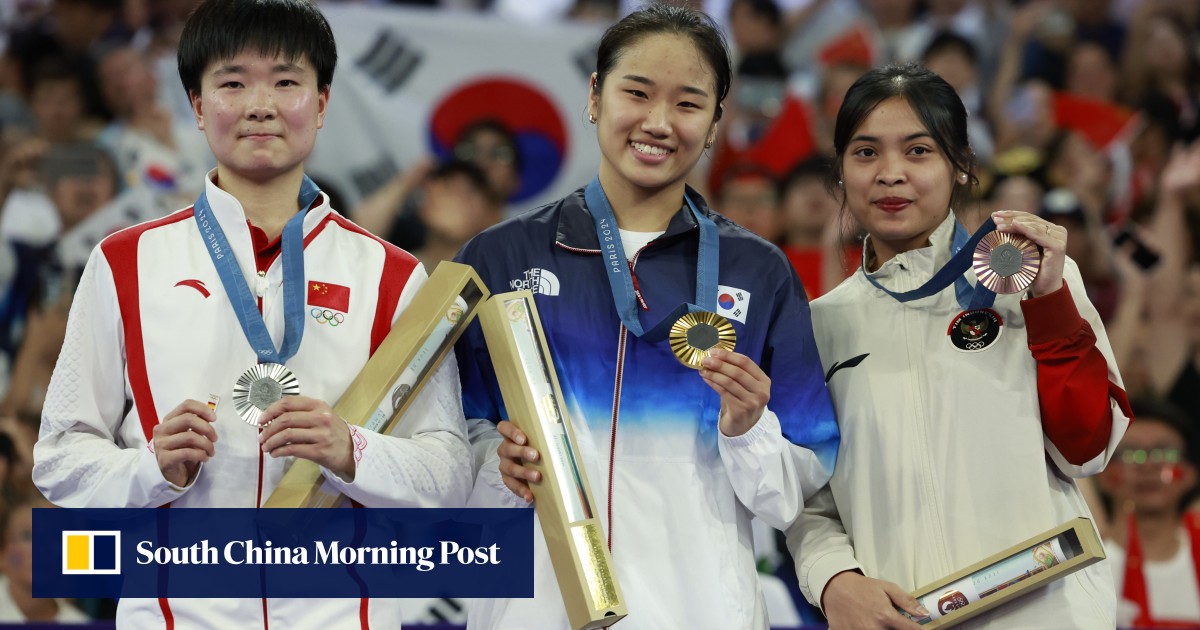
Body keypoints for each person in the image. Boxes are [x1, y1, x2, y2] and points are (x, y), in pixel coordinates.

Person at [30, 0, 473, 627]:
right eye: (232, 82)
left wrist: (351, 451)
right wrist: (151, 469)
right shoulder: (125, 261)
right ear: (197, 105)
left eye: (286, 82)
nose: (259, 104)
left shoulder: (392, 275)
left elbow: (449, 473)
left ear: (320, 104)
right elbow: (59, 458)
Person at [454, 5, 839, 628]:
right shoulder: (500, 257)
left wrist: (748, 428)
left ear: (715, 124)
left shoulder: (757, 272)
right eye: (637, 92)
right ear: (595, 96)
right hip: (534, 608)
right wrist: (490, 464)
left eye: (689, 104)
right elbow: (446, 442)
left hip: (699, 609)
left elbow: (797, 489)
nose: (658, 122)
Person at [787, 63, 1132, 628]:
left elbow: (1086, 450)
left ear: (961, 166)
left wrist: (1047, 304)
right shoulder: (819, 325)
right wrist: (833, 581)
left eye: (918, 151)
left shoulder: (1032, 278)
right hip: (904, 618)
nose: (891, 174)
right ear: (841, 171)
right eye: (866, 152)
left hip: (1044, 612)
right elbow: (810, 498)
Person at [1096, 398, 1200, 627]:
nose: (1148, 466)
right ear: (1102, 474)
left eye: (1165, 453)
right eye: (1130, 454)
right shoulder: (1087, 569)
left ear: (1191, 473)